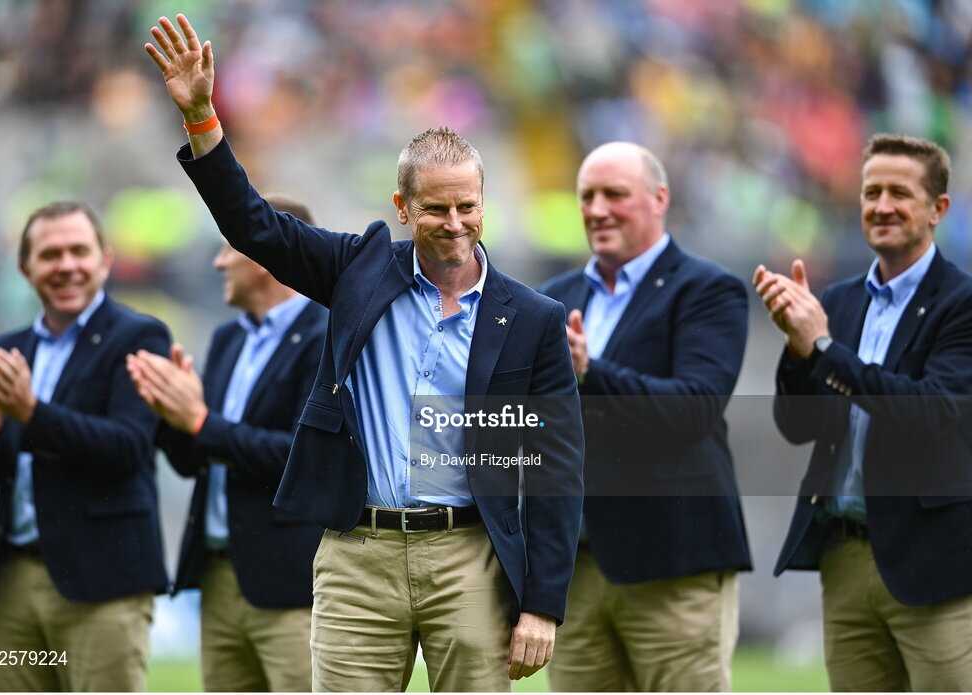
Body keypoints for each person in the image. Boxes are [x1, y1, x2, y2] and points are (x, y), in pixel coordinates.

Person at [144, 14, 584, 692]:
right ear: (403, 208)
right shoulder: (358, 268)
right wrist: (203, 118)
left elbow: (555, 469)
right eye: (437, 209)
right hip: (357, 555)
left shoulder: (533, 318)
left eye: (468, 206)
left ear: (485, 204)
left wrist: (543, 604)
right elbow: (253, 226)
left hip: (471, 555)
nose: (456, 224)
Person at [754, 133, 972, 690]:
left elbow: (928, 413)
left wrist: (825, 349)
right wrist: (798, 349)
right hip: (844, 556)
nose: (881, 205)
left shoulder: (962, 303)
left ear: (938, 208)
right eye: (871, 191)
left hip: (934, 560)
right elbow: (797, 426)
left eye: (900, 192)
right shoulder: (842, 299)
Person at [539, 142, 751, 691]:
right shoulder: (553, 299)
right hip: (576, 569)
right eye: (587, 195)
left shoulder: (707, 290)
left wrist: (592, 372)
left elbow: (695, 409)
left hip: (673, 562)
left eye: (615, 194)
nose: (597, 208)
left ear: (660, 198)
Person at [0, 202, 170, 691]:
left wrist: (32, 413)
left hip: (103, 584)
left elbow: (128, 449)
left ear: (105, 260)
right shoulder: (7, 350)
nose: (67, 265)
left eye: (79, 251)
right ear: (25, 267)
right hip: (14, 583)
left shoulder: (140, 336)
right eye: (50, 254)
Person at [126, 194, 327, 692]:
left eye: (227, 248)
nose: (218, 262)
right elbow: (199, 457)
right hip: (218, 578)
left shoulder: (327, 334)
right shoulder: (228, 339)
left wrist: (198, 421)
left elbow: (302, 458)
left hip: (291, 586)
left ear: (264, 255)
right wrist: (168, 415)